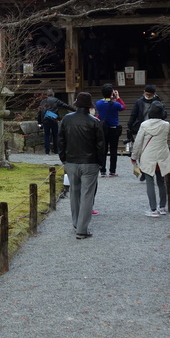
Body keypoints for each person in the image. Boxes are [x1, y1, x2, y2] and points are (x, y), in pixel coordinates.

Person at [59, 92, 105, 239]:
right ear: (89, 106)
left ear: (77, 104)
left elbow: (60, 140)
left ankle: (75, 222)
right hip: (90, 162)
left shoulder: (66, 119)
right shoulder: (94, 121)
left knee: (74, 192)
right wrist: (101, 163)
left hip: (71, 161)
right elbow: (101, 145)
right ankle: (82, 229)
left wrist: (63, 158)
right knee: (87, 195)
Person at [131, 101, 170, 217]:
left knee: (149, 182)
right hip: (162, 156)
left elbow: (138, 142)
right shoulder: (166, 125)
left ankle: (153, 209)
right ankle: (162, 207)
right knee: (161, 182)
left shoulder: (144, 125)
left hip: (148, 156)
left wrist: (134, 156)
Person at [94, 84, 125, 177]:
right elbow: (123, 107)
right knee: (113, 150)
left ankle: (102, 170)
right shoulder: (115, 104)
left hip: (103, 128)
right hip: (113, 128)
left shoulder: (98, 103)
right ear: (112, 93)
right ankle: (112, 171)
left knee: (103, 150)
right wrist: (118, 97)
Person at [37, 89, 75, 155]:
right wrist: (74, 110)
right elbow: (65, 105)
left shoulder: (43, 101)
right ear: (53, 94)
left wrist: (39, 122)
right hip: (54, 119)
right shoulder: (56, 100)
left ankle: (47, 151)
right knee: (55, 135)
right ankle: (56, 150)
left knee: (47, 135)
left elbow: (39, 112)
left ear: (47, 94)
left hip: (45, 119)